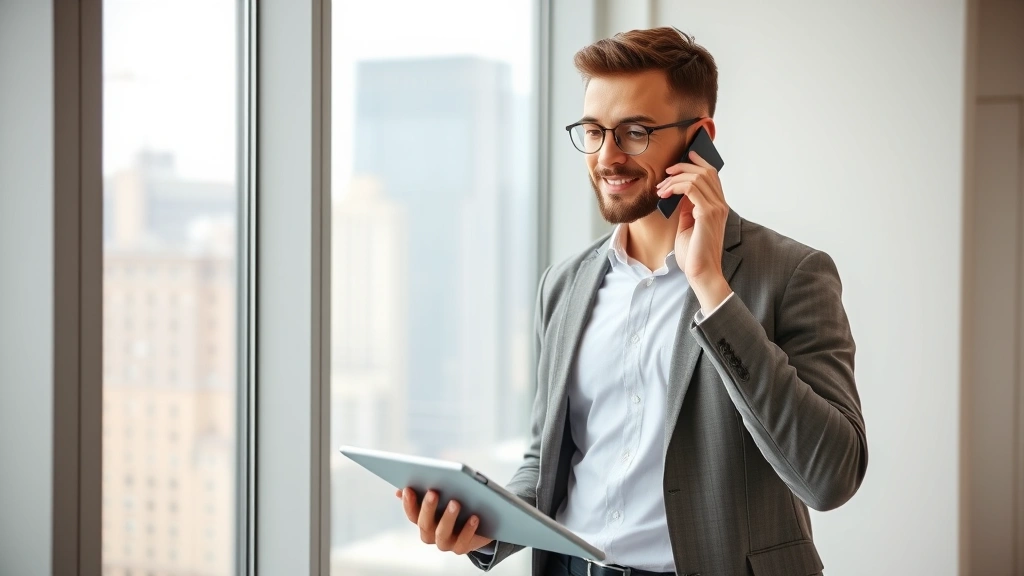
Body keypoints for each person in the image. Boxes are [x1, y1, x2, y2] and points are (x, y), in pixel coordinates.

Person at [396, 27, 867, 576]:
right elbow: (547, 461)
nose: (607, 157)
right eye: (594, 131)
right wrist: (482, 526)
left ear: (700, 139)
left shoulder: (792, 274)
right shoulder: (564, 284)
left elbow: (830, 477)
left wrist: (711, 287)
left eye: (635, 132)